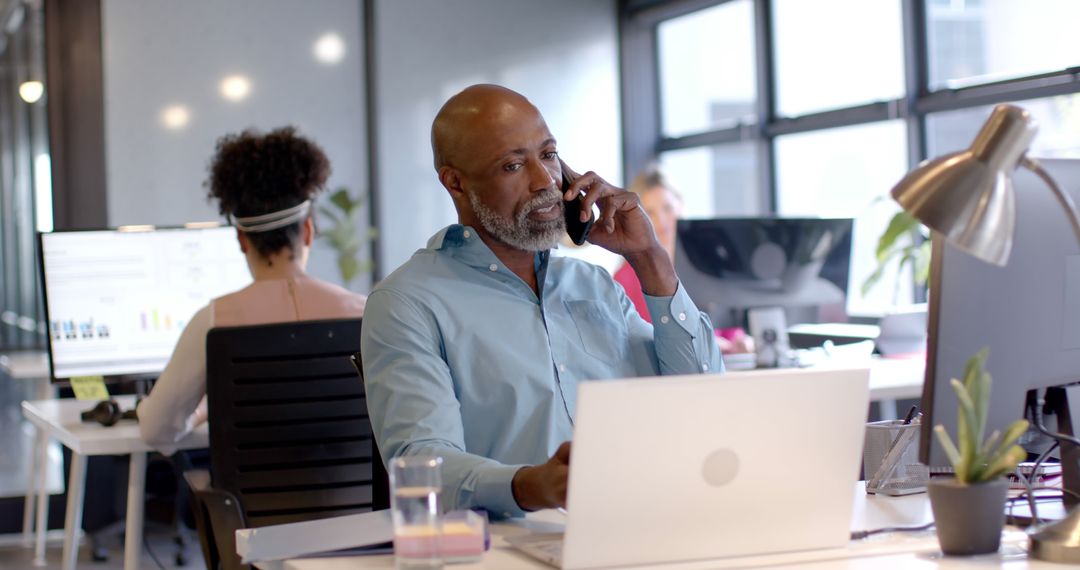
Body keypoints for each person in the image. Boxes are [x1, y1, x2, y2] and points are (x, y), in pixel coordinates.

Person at [361, 84, 723, 518]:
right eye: (513, 165)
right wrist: (533, 486)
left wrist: (649, 258)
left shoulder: (595, 286)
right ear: (455, 183)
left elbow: (705, 400)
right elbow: (421, 466)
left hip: (641, 527)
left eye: (549, 156)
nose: (545, 181)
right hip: (511, 547)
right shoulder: (407, 302)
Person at [140, 127, 366, 452]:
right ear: (307, 231)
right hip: (364, 503)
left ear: (241, 241)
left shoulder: (213, 320)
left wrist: (203, 410)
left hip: (249, 505)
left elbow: (156, 430)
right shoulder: (364, 313)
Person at [613, 167, 754, 354]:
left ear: (681, 206)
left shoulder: (708, 264)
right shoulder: (625, 278)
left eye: (667, 208)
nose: (661, 221)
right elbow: (641, 339)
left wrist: (740, 340)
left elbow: (727, 323)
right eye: (650, 212)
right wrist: (706, 343)